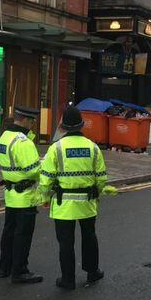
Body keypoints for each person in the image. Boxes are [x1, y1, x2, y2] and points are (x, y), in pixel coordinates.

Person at [38, 105, 107, 290]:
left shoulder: (56, 148)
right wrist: (97, 194)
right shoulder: (93, 148)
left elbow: (45, 179)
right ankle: (92, 272)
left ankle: (68, 279)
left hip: (63, 203)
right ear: (81, 125)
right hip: (87, 201)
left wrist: (44, 198)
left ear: (63, 126)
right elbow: (101, 178)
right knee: (89, 236)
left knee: (66, 242)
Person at [0, 106, 43, 284]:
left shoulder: (4, 137)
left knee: (9, 232)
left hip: (10, 192)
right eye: (32, 121)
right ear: (25, 120)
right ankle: (20, 271)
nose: (33, 125)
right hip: (25, 195)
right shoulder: (23, 142)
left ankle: (4, 267)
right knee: (23, 234)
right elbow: (33, 171)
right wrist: (45, 167)